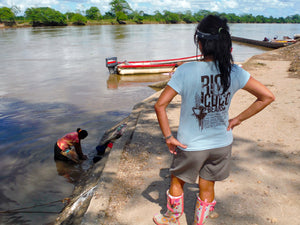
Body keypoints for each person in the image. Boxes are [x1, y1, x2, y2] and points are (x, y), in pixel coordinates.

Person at [153, 15, 275, 225]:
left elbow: (160, 105)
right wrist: (236, 120)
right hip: (221, 144)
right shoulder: (234, 71)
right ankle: (199, 222)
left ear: (199, 43)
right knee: (207, 184)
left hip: (190, 144)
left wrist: (168, 137)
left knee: (177, 179)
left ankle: (172, 218)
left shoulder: (185, 70)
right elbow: (267, 97)